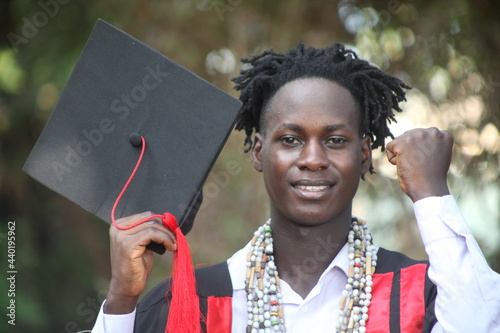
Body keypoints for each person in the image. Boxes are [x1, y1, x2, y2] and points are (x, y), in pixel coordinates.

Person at [92, 43, 500, 332]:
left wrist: (431, 193)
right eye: (290, 139)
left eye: (335, 140)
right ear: (257, 153)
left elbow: (480, 323)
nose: (312, 158)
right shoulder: (191, 303)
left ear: (364, 156)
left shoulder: (419, 292)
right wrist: (122, 300)